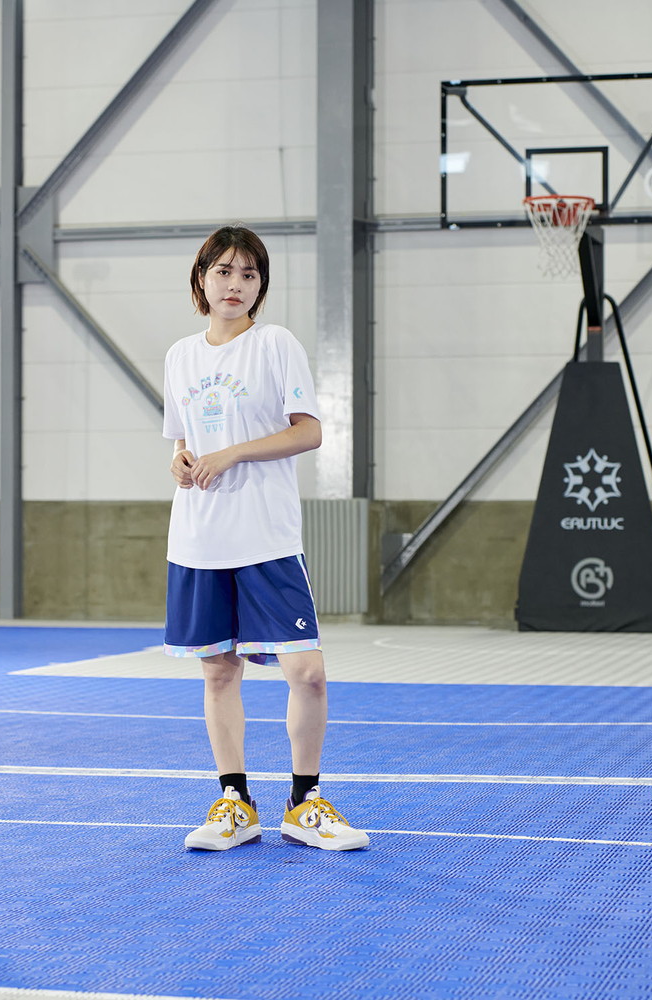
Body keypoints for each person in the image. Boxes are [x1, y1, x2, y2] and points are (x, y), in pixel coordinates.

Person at [161, 224, 369, 852]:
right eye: (223, 271)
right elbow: (184, 438)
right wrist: (182, 460)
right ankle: (235, 802)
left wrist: (232, 454)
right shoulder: (180, 356)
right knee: (219, 673)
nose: (235, 284)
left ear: (260, 286)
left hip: (266, 538)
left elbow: (308, 431)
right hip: (200, 537)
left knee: (307, 673)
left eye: (249, 274)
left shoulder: (275, 344)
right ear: (201, 279)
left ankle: (304, 803)